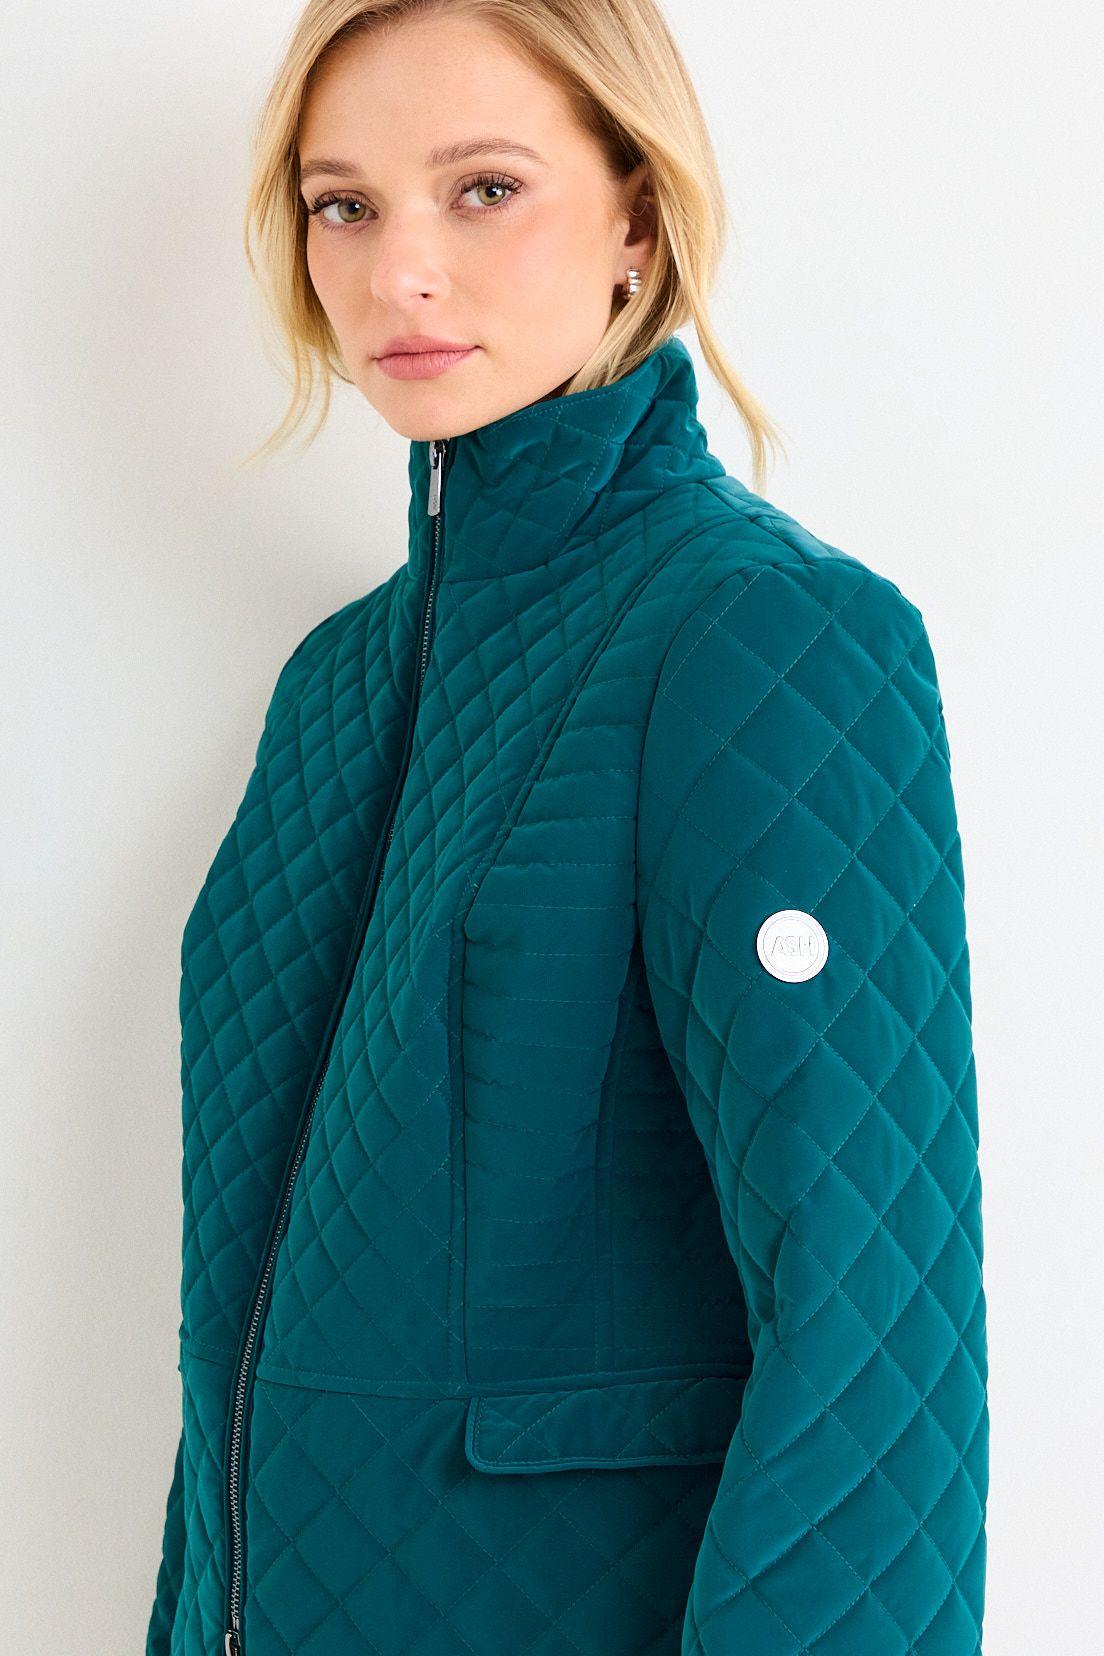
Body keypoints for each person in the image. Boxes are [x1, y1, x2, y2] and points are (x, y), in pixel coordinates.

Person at [145, 3, 989, 1653]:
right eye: (343, 204)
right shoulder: (337, 685)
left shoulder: (760, 635)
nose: (399, 270)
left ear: (637, 221)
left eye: (483, 189)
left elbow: (874, 1331)